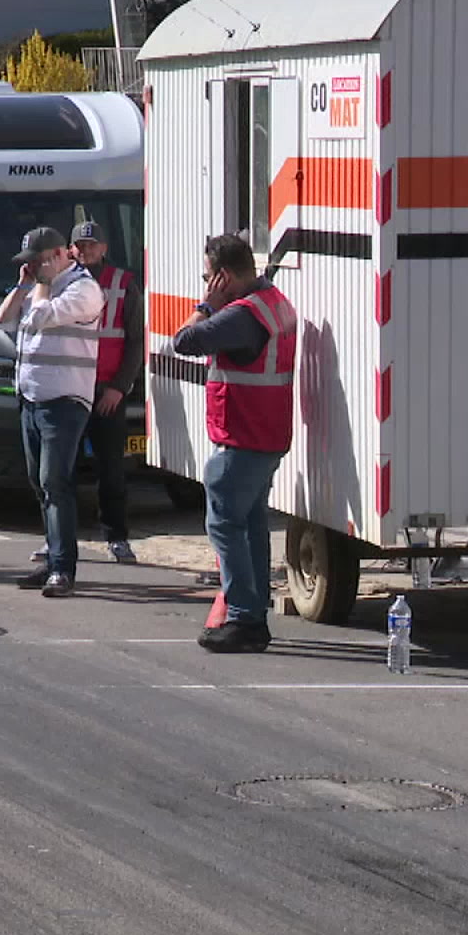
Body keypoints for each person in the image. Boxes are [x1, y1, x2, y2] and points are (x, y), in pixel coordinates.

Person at [172, 235, 298, 653]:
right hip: (267, 433)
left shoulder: (240, 316)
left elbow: (183, 342)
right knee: (252, 525)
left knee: (224, 525)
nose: (205, 283)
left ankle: (245, 618)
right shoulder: (273, 301)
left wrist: (205, 306)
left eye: (208, 277)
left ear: (223, 277)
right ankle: (253, 612)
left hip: (242, 436)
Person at [0, 226, 104, 598]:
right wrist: (24, 284)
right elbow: (3, 319)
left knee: (55, 482)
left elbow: (40, 317)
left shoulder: (84, 289)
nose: (33, 268)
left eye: (38, 260)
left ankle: (63, 568)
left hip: (65, 400)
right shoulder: (39, 286)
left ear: (60, 254)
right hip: (31, 397)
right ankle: (52, 555)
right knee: (39, 483)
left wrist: (39, 285)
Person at [73, 220, 145, 564]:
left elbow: (135, 344)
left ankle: (117, 538)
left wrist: (118, 388)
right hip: (69, 390)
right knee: (60, 470)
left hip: (107, 391)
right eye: (80, 245)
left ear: (104, 248)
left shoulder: (123, 284)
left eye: (92, 244)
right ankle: (59, 539)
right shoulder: (62, 282)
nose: (86, 250)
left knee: (111, 469)